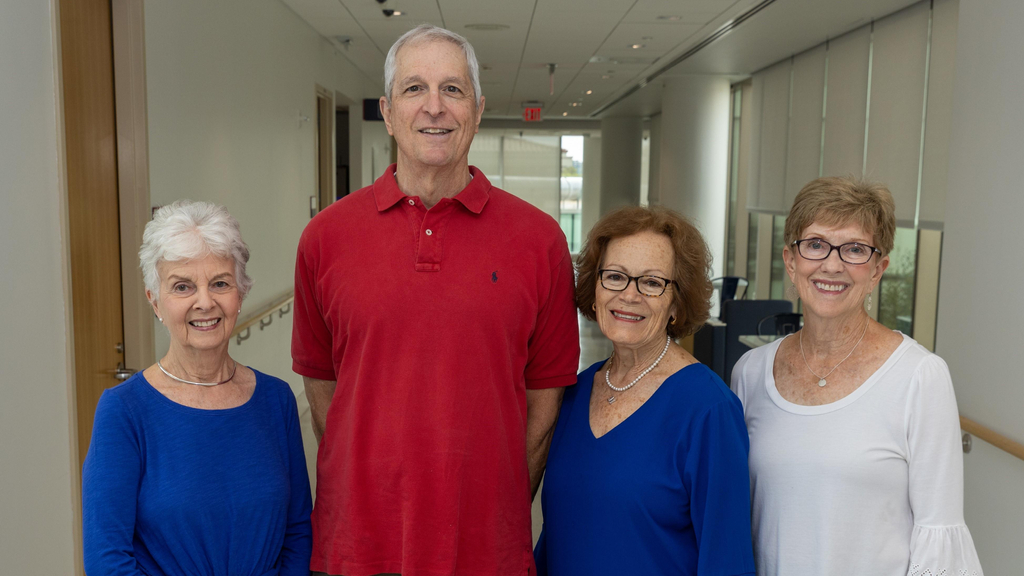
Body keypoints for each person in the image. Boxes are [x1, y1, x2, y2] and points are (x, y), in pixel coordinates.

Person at [291, 24, 580, 576]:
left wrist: (491, 499)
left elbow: (544, 403)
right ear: (388, 109)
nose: (434, 107)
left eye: (452, 89)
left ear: (477, 107)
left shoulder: (539, 240)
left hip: (484, 546)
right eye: (414, 88)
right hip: (357, 543)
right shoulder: (325, 238)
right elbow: (323, 387)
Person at [732, 177, 984, 575]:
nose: (832, 265)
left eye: (854, 249)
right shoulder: (750, 372)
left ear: (877, 270)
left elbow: (938, 537)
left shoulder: (920, 376)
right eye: (815, 244)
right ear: (791, 261)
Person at [82, 200, 312, 576]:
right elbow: (107, 558)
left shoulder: (276, 399)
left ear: (240, 293)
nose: (204, 302)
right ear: (154, 301)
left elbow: (298, 530)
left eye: (220, 283)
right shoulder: (124, 412)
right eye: (182, 286)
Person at [535, 206, 756, 576]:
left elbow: (727, 560)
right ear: (594, 290)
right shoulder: (573, 394)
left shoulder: (708, 410)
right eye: (615, 276)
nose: (629, 295)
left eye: (652, 282)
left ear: (676, 302)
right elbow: (558, 537)